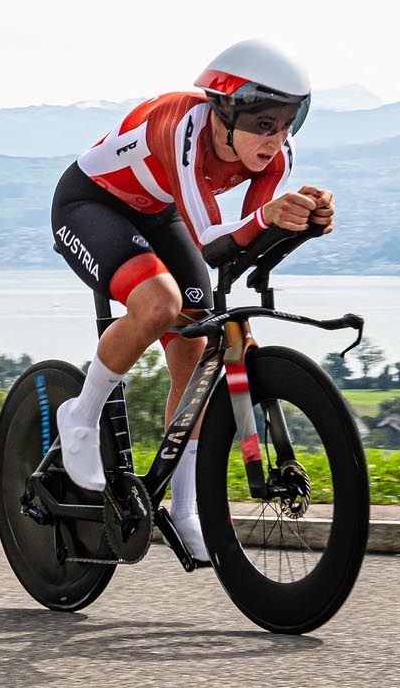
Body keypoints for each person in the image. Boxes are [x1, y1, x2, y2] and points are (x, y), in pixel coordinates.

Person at [49, 39, 335, 560]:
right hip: (90, 203)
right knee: (159, 305)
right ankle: (80, 415)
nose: (277, 138)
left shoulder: (277, 157)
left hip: (158, 211)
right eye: (264, 124)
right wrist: (269, 219)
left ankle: (183, 510)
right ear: (224, 111)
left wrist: (300, 224)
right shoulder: (184, 128)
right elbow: (213, 239)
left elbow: (241, 248)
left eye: (289, 122)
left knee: (201, 345)